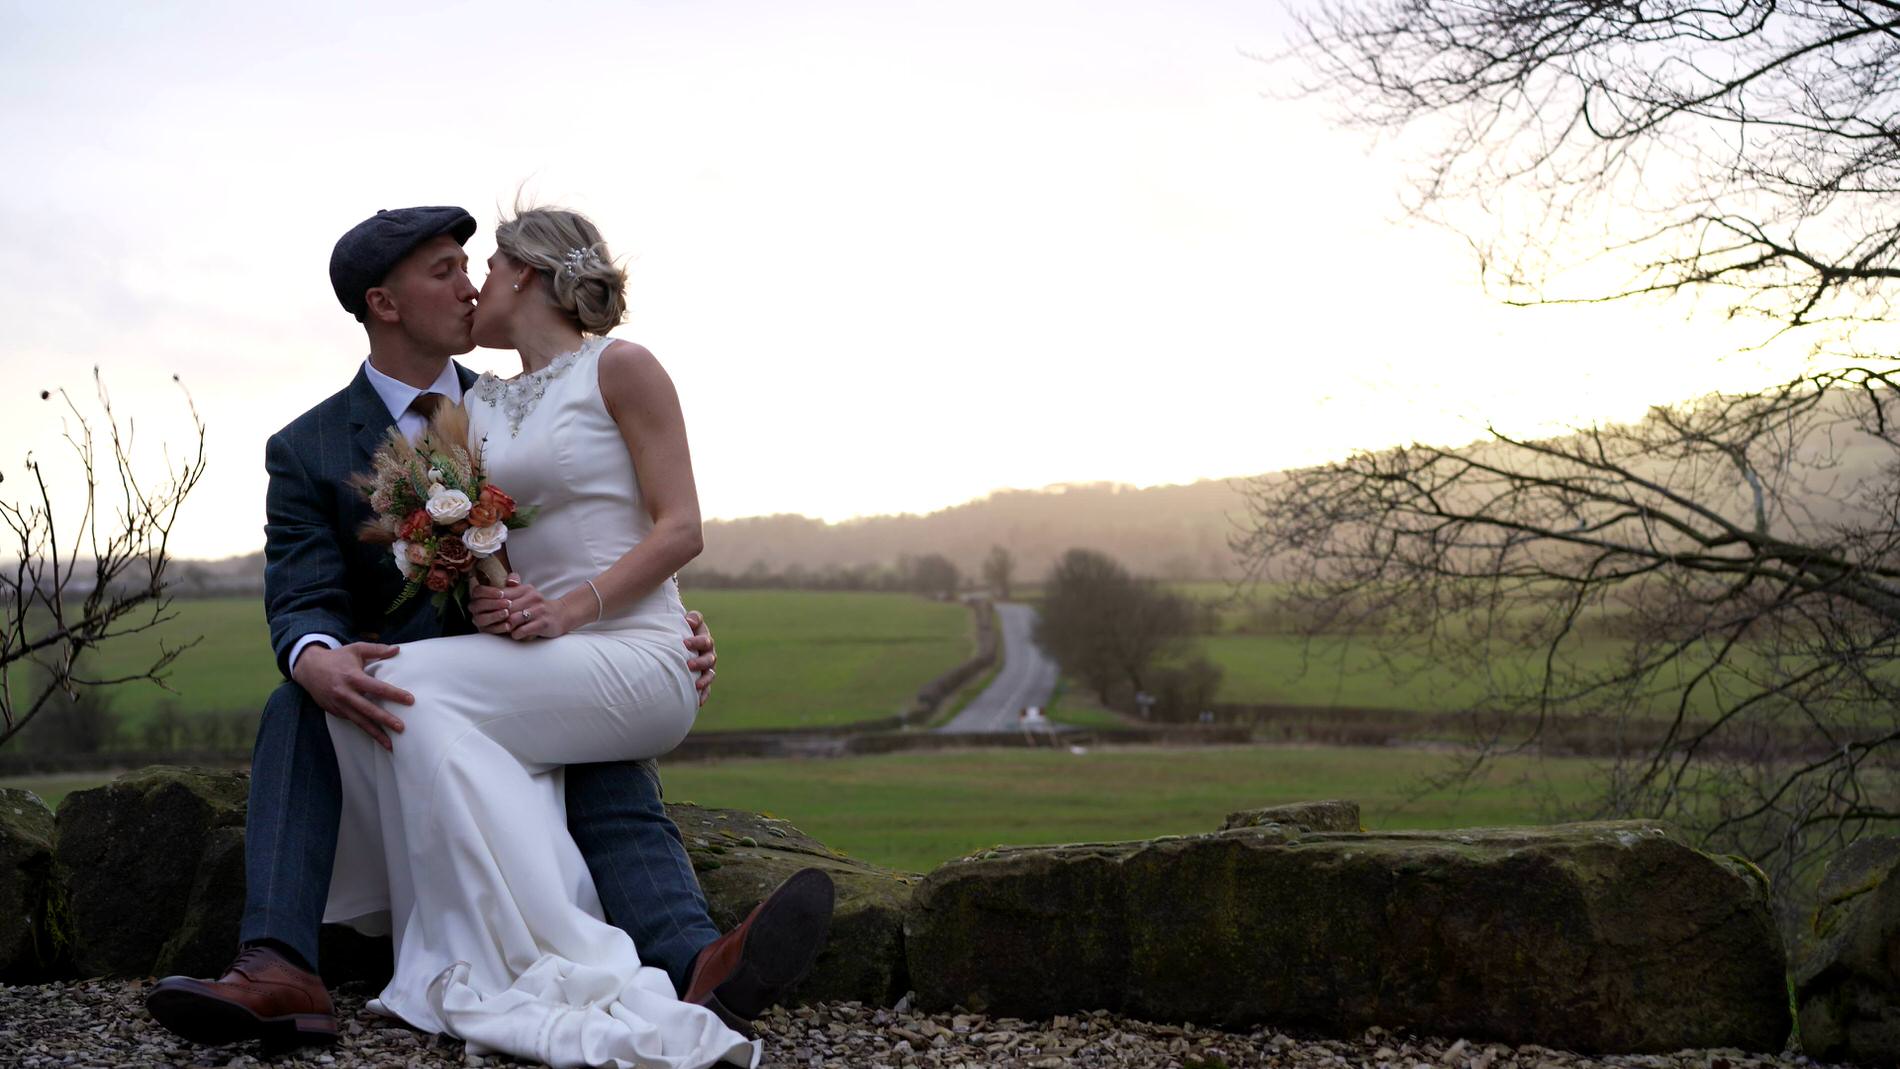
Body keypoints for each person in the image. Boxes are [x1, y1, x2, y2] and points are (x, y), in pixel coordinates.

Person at [146, 206, 833, 1067]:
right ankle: (279, 962)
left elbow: (599, 525)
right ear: (384, 302)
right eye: (445, 271)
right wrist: (316, 656)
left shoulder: (508, 400)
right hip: (431, 697)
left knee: (591, 743)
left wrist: (663, 622)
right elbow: (303, 594)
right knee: (302, 699)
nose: (471, 285)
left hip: (539, 668)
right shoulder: (308, 446)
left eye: (476, 265)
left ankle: (689, 959)